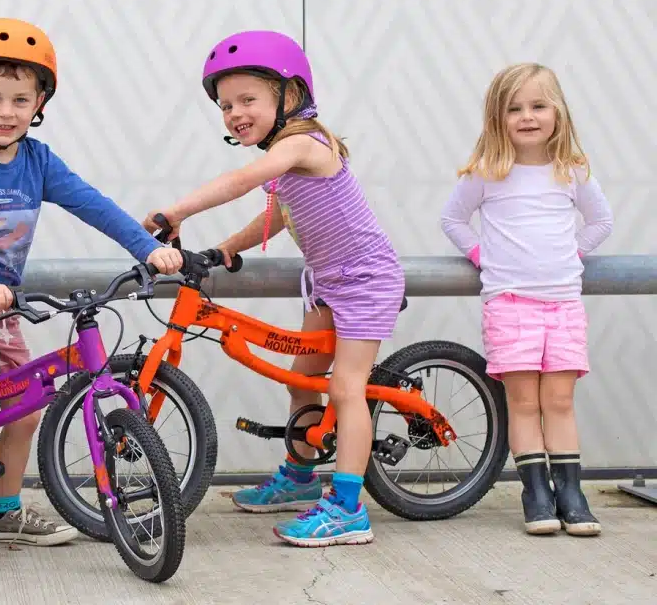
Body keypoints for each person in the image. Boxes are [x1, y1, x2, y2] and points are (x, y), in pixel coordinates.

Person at [0, 17, 183, 573]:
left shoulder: (38, 161)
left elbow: (92, 204)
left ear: (39, 101)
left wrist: (146, 249)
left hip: (4, 306)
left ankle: (4, 513)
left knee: (25, 410)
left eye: (20, 99)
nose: (6, 111)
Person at [142, 30, 405, 548]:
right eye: (225, 105)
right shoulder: (285, 160)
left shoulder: (304, 143)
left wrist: (176, 211)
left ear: (289, 96)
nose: (235, 112)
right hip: (328, 283)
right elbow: (278, 218)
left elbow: (241, 182)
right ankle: (300, 477)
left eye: (248, 100)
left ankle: (349, 509)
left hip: (368, 279)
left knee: (345, 388)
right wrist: (224, 249)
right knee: (300, 381)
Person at [440, 62, 613, 537]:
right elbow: (453, 220)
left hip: (562, 304)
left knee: (558, 399)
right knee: (522, 400)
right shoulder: (486, 173)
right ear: (498, 118)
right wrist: (483, 255)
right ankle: (535, 492)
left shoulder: (571, 171)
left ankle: (570, 493)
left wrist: (568, 255)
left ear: (558, 112)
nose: (527, 116)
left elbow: (601, 222)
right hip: (509, 304)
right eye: (514, 108)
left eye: (538, 105)